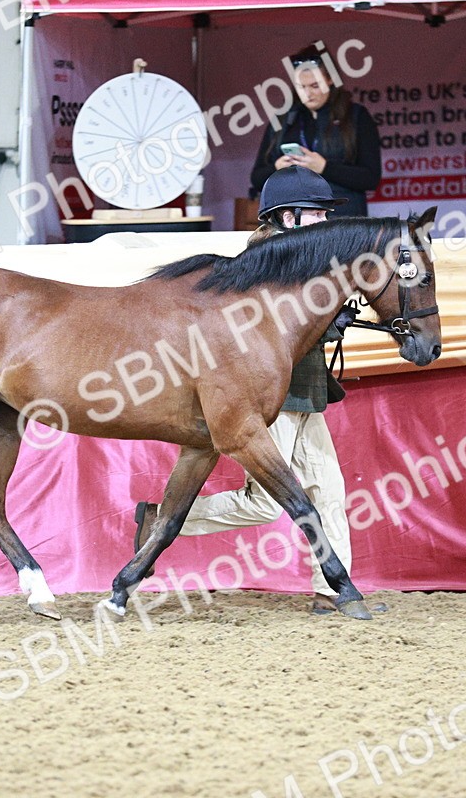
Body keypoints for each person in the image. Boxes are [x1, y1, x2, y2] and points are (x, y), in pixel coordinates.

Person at [134, 166, 382, 615]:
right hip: (273, 399)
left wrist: (334, 316)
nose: (324, 222)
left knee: (329, 489)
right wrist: (328, 323)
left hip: (308, 393)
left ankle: (332, 590)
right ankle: (161, 521)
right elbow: (275, 328)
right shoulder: (267, 261)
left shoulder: (306, 260)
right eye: (316, 214)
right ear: (288, 218)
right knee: (264, 504)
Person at [250, 43, 381, 218]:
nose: (308, 94)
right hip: (295, 221)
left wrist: (324, 167)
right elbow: (256, 178)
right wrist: (278, 168)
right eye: (301, 87)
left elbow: (371, 178)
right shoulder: (284, 119)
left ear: (330, 80)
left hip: (344, 220)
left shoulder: (356, 116)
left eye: (315, 86)